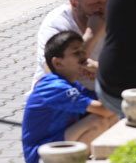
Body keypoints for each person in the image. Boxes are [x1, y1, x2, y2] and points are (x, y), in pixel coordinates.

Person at [22, 31, 118, 163]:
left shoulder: (71, 85)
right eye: (76, 53)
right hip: (41, 155)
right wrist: (100, 75)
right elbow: (104, 109)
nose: (84, 57)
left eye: (83, 51)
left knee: (113, 116)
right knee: (97, 121)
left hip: (59, 142)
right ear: (58, 63)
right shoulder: (55, 87)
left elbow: (110, 105)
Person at [31, 0, 109, 92]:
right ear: (74, 3)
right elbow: (52, 72)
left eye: (107, 1)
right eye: (96, 3)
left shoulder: (114, 16)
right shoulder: (56, 24)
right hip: (60, 99)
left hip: (99, 94)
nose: (103, 8)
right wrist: (91, 35)